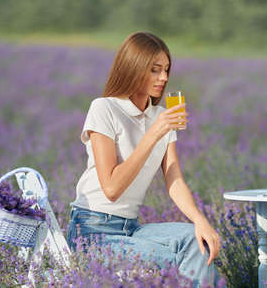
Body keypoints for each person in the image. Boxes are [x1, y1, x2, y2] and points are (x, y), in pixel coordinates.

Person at [67, 32, 222, 286]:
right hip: (92, 232)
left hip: (131, 229)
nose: (163, 78)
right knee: (171, 259)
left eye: (166, 70)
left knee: (198, 242)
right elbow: (112, 189)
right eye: (155, 70)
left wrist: (200, 220)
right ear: (133, 67)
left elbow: (174, 180)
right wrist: (154, 134)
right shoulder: (104, 108)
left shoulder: (160, 115)